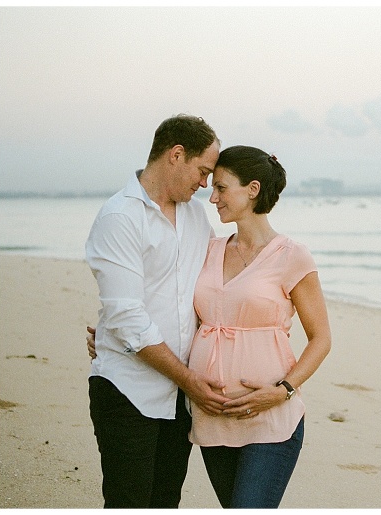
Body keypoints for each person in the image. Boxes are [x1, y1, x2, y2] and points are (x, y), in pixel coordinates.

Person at [84, 114, 232, 508]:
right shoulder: (120, 217)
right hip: (127, 391)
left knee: (166, 501)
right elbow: (128, 317)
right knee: (129, 502)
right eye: (202, 172)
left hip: (180, 399)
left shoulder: (196, 217)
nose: (205, 185)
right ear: (176, 155)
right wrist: (189, 380)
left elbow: (215, 287)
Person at [188, 145, 331, 508]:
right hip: (212, 415)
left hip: (271, 418)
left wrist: (282, 390)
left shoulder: (291, 255)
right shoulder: (208, 249)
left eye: (221, 188)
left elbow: (321, 339)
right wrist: (115, 336)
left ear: (252, 189)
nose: (212, 197)